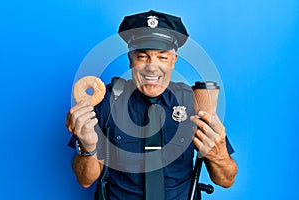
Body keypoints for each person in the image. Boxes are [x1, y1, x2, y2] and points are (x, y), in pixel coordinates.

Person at [66, 10, 237, 200]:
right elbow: (85, 180)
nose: (152, 67)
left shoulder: (193, 100)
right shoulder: (107, 101)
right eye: (142, 56)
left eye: (162, 57)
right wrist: (87, 146)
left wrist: (218, 154)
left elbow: (226, 180)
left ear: (173, 61)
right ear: (130, 60)